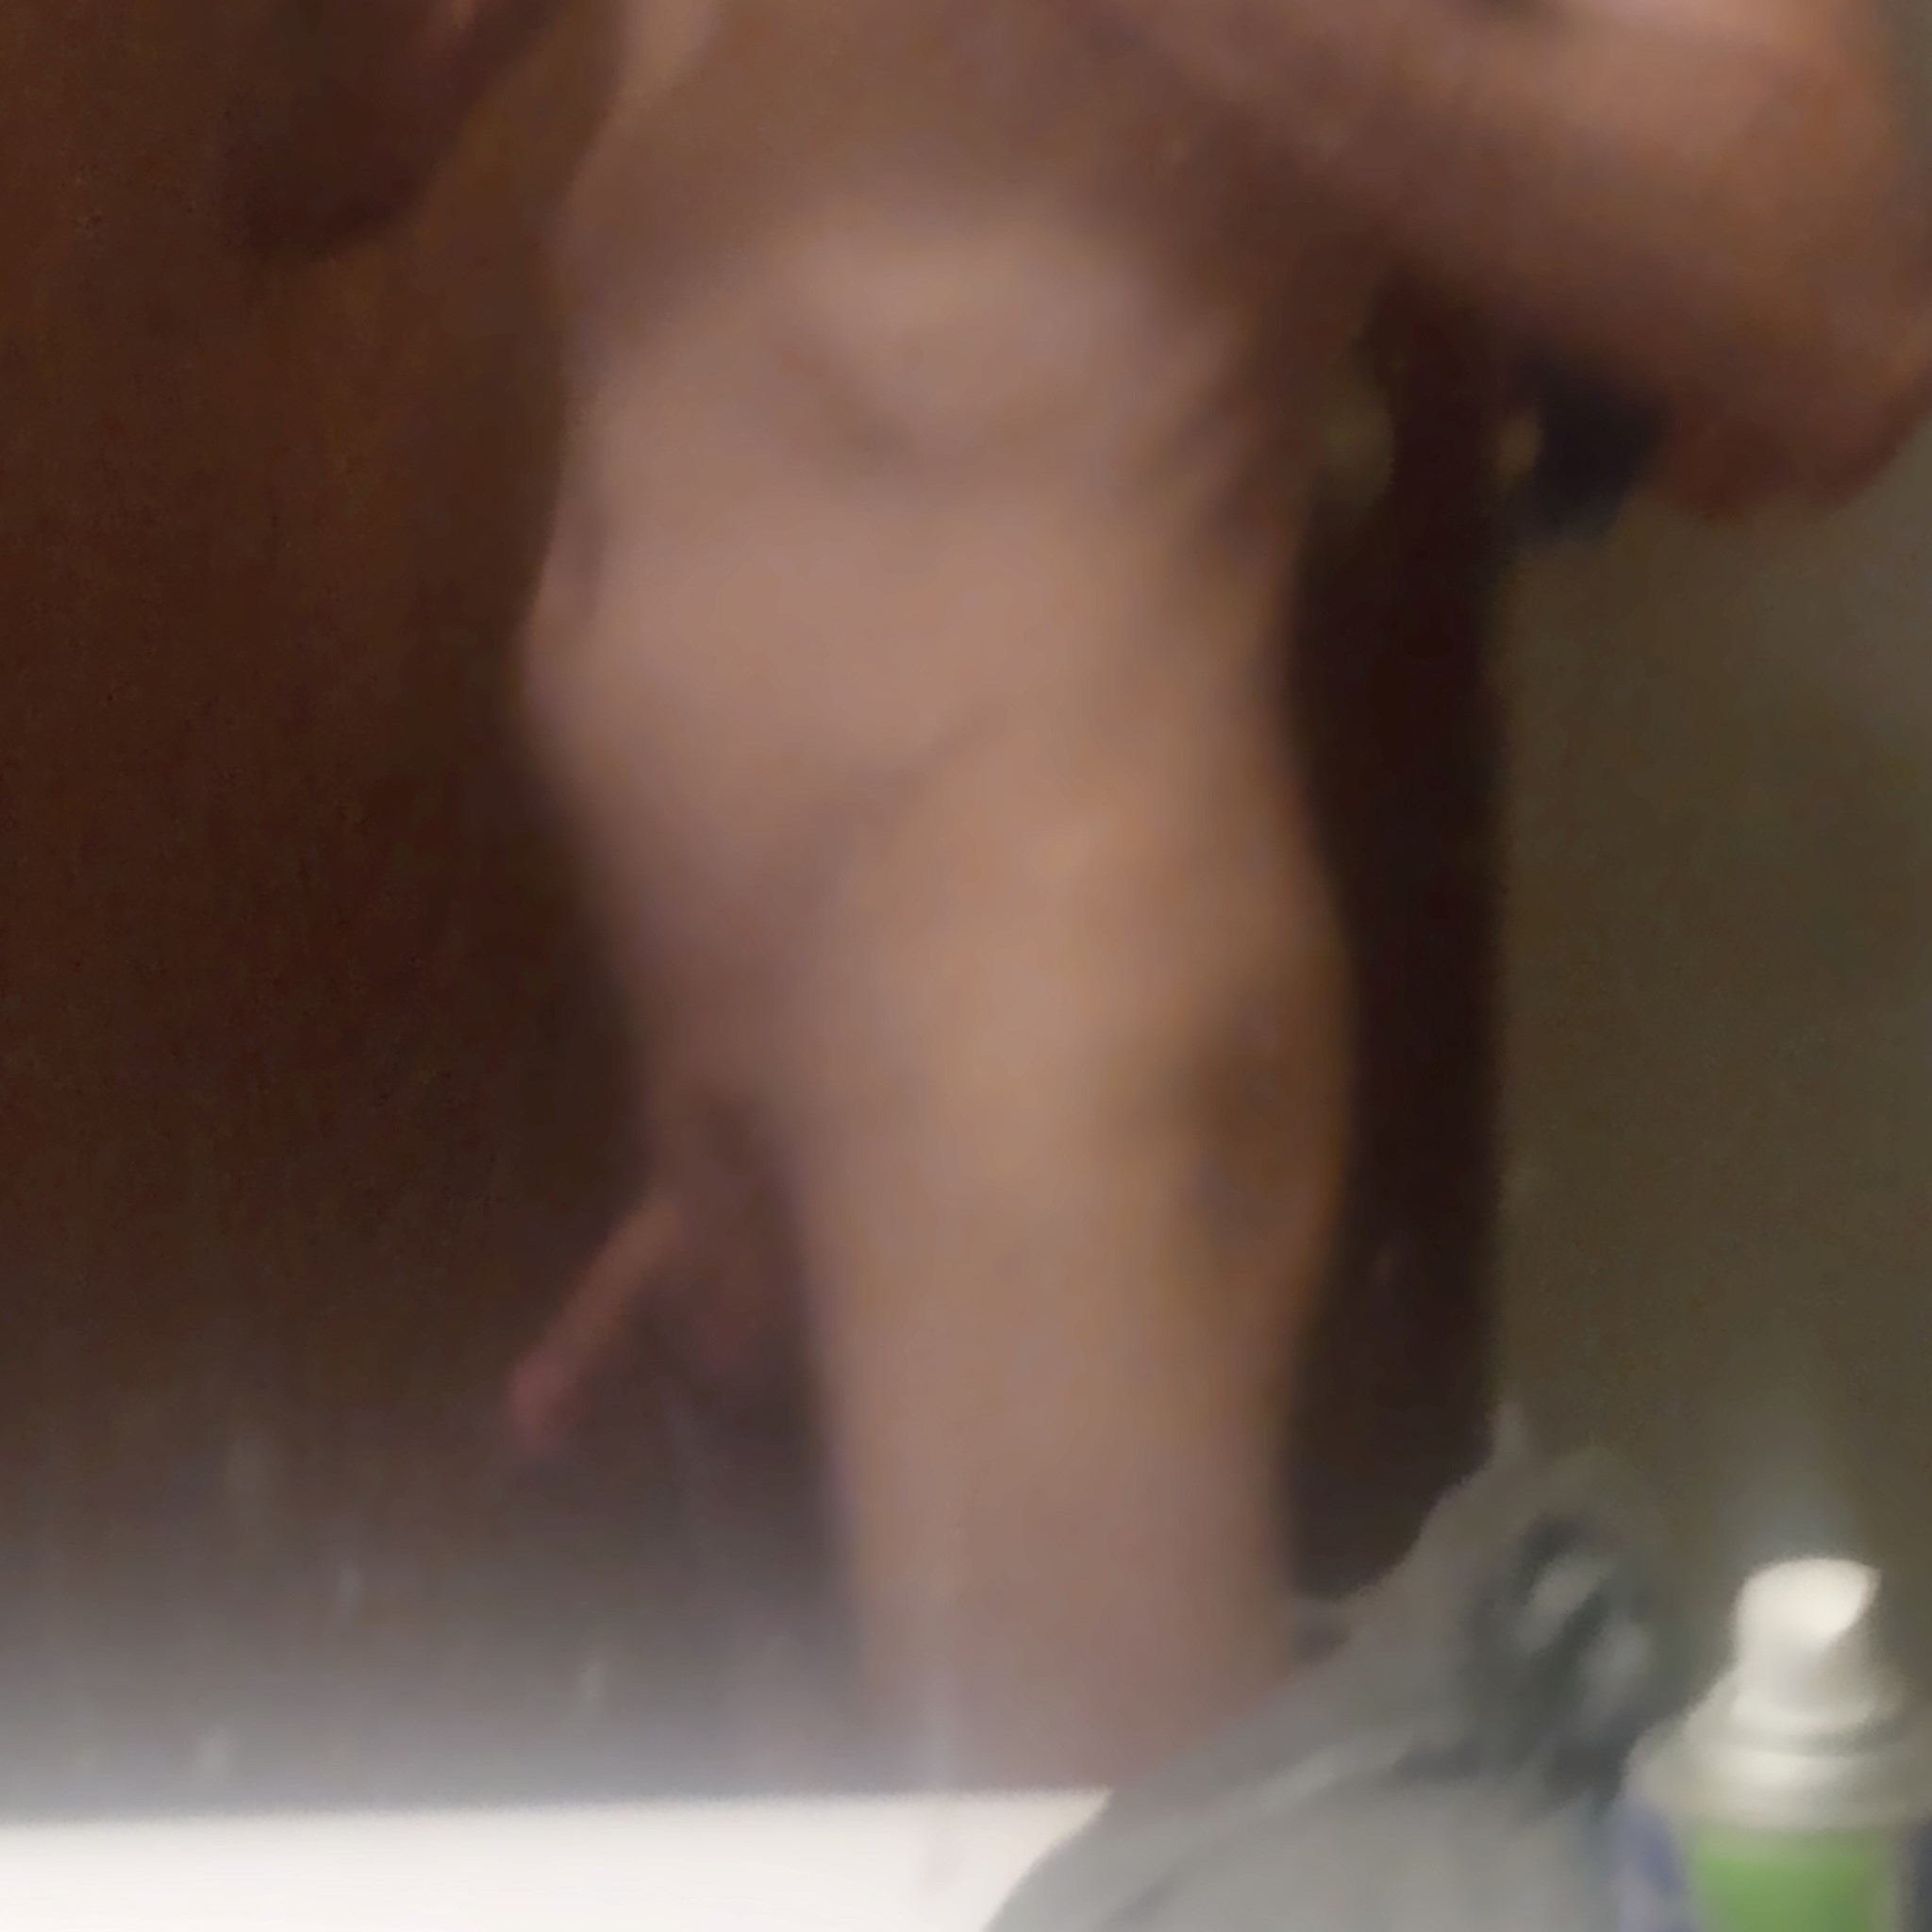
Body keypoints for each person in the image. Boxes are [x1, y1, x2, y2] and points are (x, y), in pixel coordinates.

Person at [229, 0, 1930, 1789]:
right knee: (865, 1887)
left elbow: (1845, 315)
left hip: (1025, 1017)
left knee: (1088, 1882)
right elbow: (307, 160)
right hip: (726, 1089)